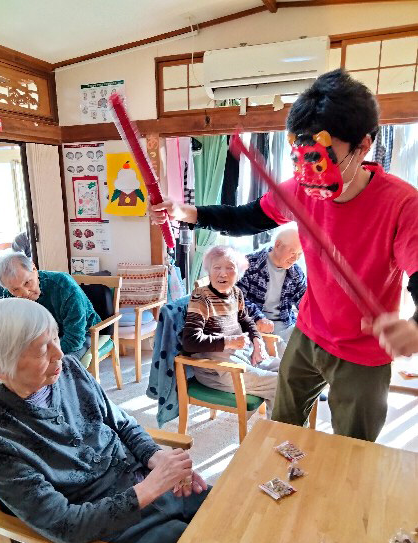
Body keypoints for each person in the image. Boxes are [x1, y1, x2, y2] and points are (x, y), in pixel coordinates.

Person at [151, 69, 418, 442]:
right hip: (309, 332)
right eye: (302, 158)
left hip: (364, 350)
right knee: (282, 426)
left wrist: (415, 326)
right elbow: (248, 217)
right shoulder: (301, 189)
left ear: (364, 146)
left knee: (354, 448)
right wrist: (189, 214)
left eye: (323, 159)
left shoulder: (403, 205)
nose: (309, 177)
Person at [0, 299, 208, 543]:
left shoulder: (69, 369)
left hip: (146, 491)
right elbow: (64, 525)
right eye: (42, 348)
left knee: (227, 512)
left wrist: (157, 458)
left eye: (56, 338)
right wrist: (151, 488)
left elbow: (121, 423)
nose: (60, 353)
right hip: (104, 542)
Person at [183, 246, 280, 417]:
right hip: (217, 370)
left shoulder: (236, 293)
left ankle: (279, 426)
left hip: (244, 357)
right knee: (281, 385)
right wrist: (228, 342)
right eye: (217, 268)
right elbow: (190, 341)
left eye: (230, 268)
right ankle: (282, 437)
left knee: (292, 370)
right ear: (209, 270)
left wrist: (257, 341)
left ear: (239, 272)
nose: (223, 274)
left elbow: (245, 320)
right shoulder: (201, 297)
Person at [0, 252, 100, 358]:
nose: (25, 293)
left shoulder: (64, 285)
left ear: (34, 268)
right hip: (43, 338)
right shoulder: (9, 296)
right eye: (15, 289)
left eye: (27, 283)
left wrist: (40, 353)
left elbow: (75, 339)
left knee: (60, 365)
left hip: (84, 333)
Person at [237, 228, 306, 356]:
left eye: (300, 254)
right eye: (292, 253)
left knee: (312, 347)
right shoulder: (249, 264)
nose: (295, 258)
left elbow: (305, 302)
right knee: (291, 360)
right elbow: (236, 298)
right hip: (256, 328)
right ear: (278, 245)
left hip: (285, 326)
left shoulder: (296, 272)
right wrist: (258, 317)